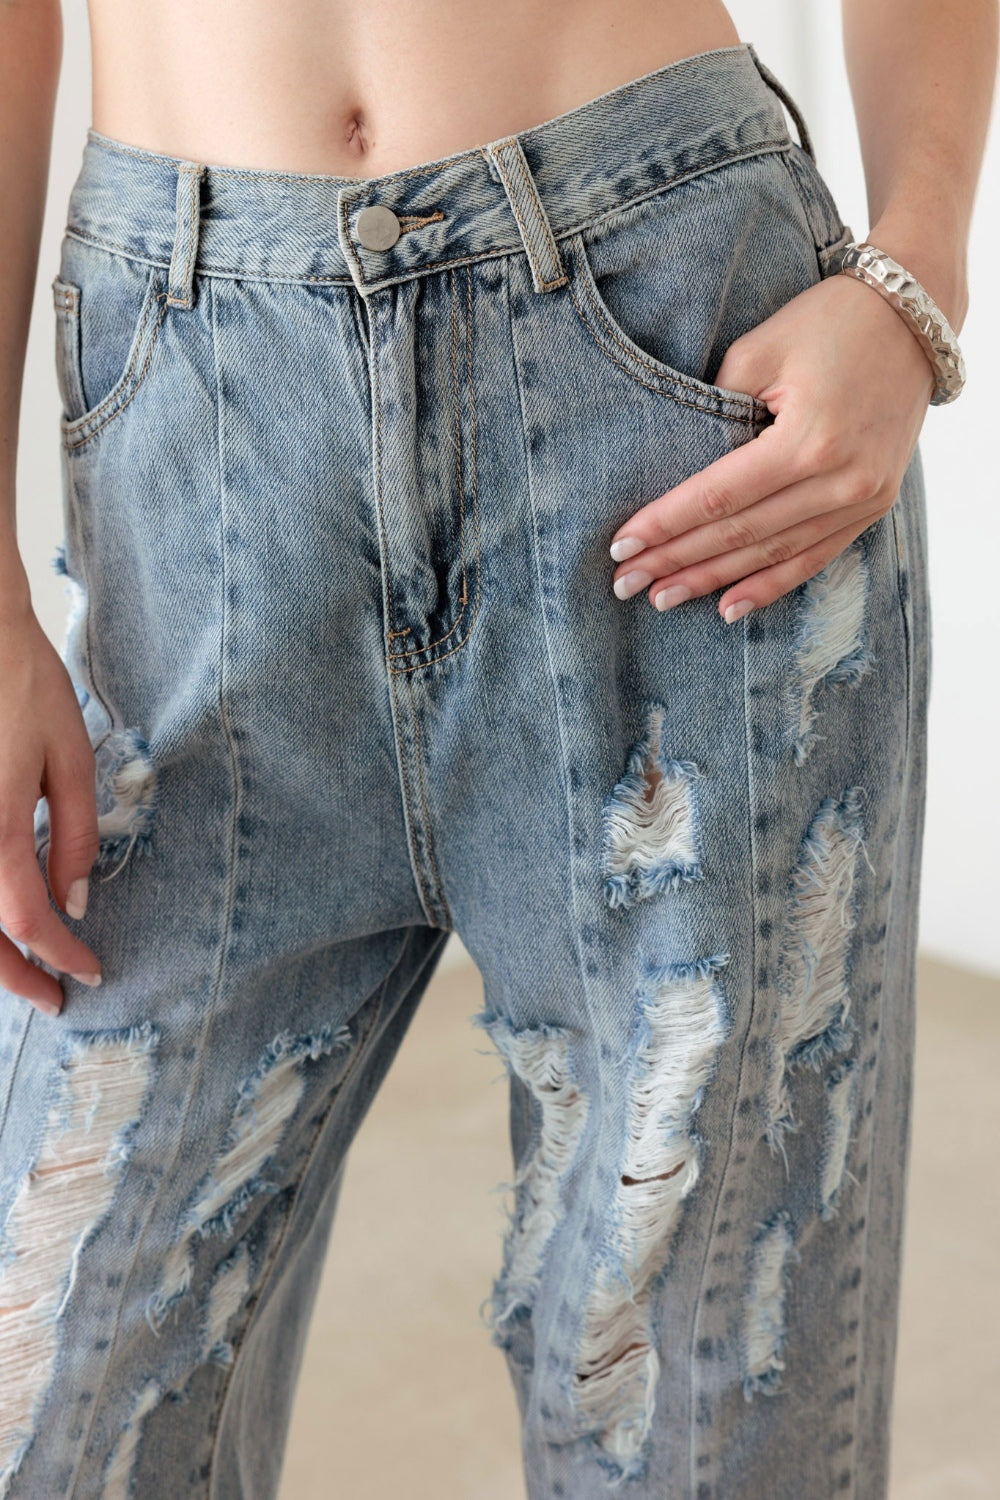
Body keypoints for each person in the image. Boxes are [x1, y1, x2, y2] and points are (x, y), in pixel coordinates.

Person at [0, 0, 995, 1495]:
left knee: (689, 1422)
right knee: (50, 1402)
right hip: (194, 426)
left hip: (660, 365)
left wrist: (915, 264)